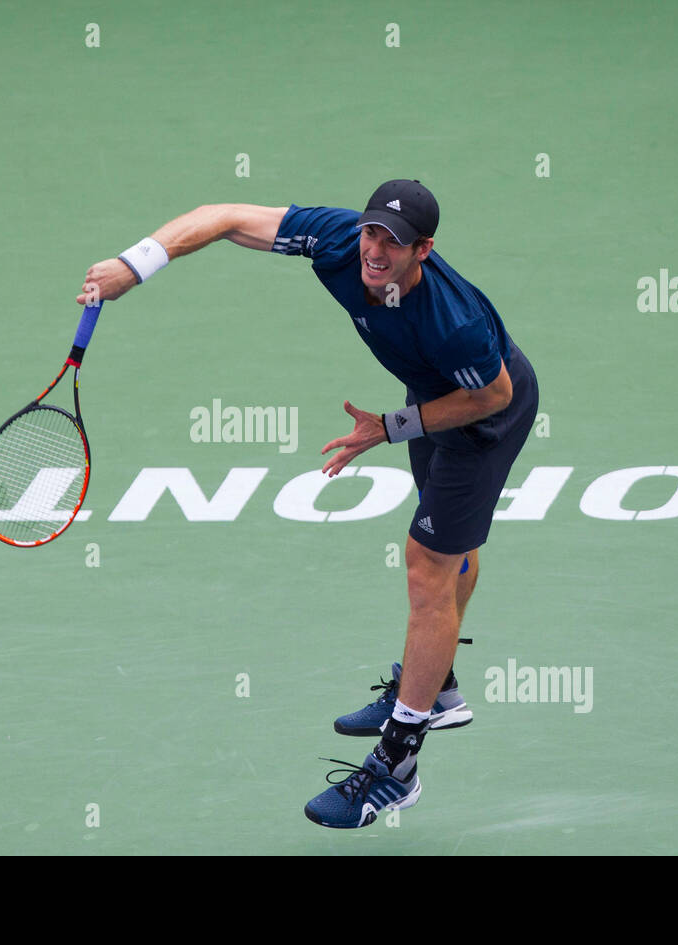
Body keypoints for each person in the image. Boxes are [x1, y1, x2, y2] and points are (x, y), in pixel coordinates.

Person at [77, 180, 539, 829]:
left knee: (426, 564)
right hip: (433, 391)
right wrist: (135, 264)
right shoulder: (337, 238)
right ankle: (436, 686)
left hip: (482, 412)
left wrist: (393, 425)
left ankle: (398, 766)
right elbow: (224, 215)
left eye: (394, 242)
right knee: (447, 549)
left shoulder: (452, 319)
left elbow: (493, 394)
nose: (375, 250)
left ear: (424, 250)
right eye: (372, 232)